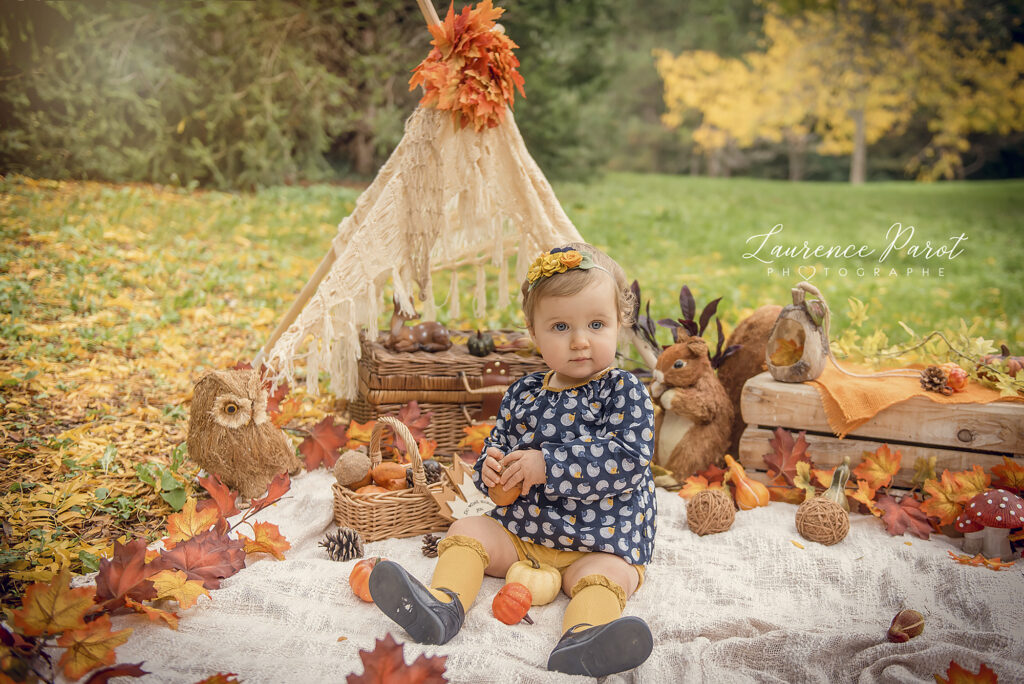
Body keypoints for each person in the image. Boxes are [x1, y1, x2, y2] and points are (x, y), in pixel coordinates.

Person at [369, 242, 657, 678]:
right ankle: (442, 606)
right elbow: (497, 449)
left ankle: (584, 639)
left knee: (610, 578)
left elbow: (629, 461)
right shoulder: (523, 394)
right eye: (561, 326)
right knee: (467, 529)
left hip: (602, 539)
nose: (581, 341)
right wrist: (490, 469)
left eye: (597, 324)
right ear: (533, 333)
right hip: (525, 532)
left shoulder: (623, 392)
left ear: (621, 324)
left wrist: (549, 465)